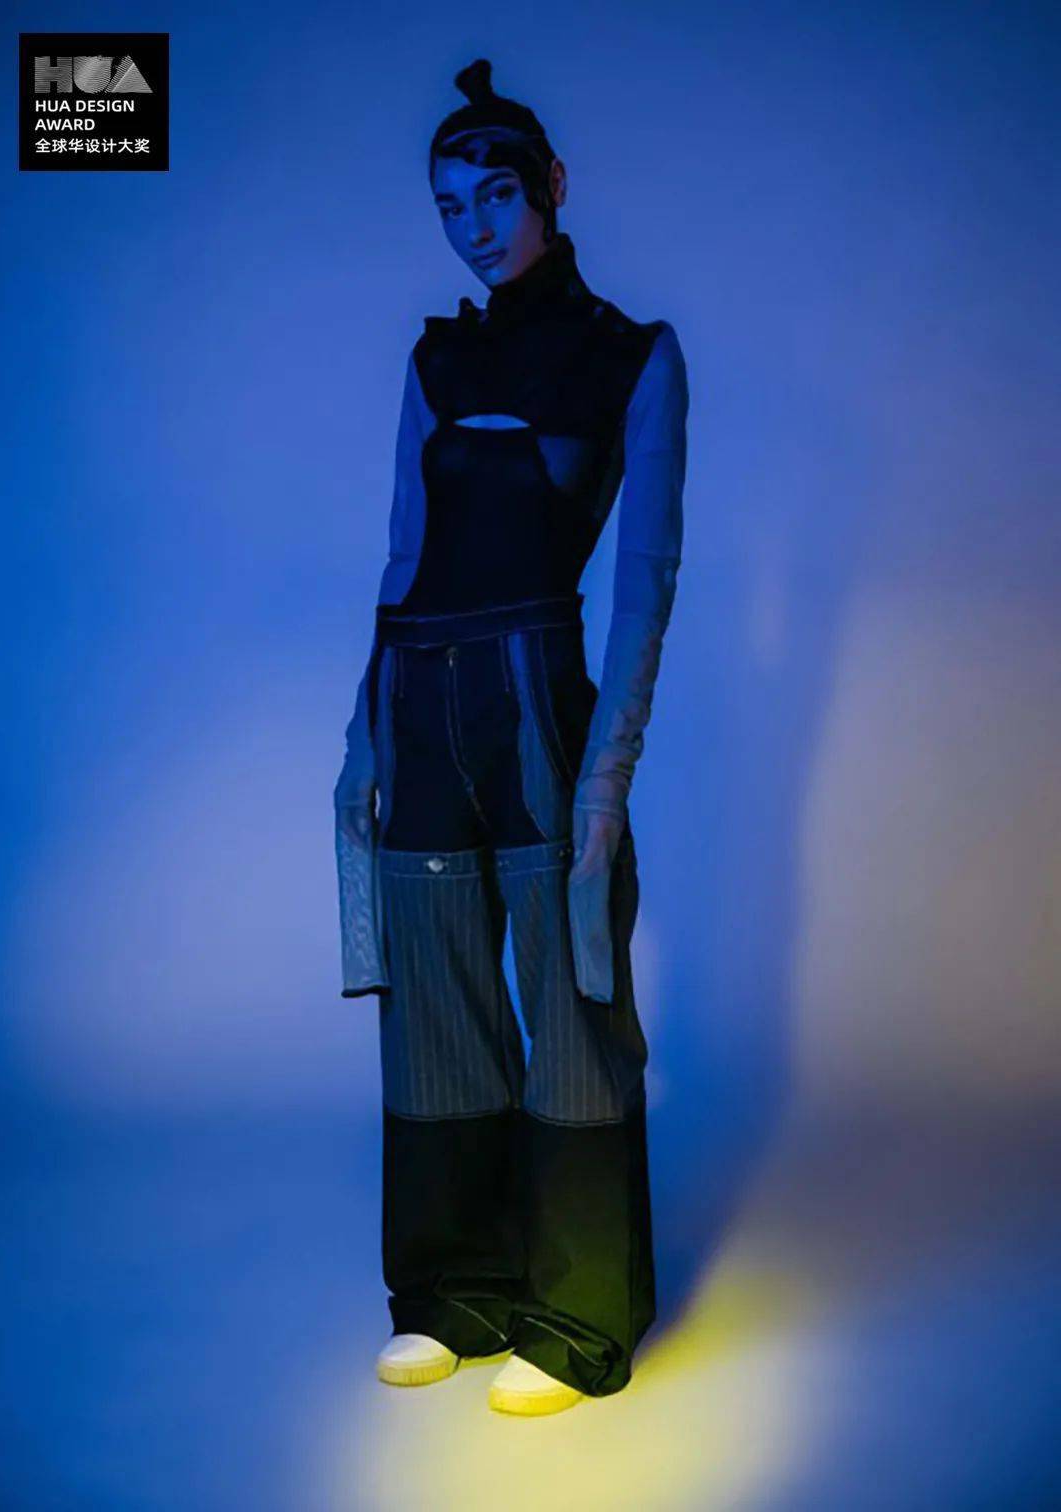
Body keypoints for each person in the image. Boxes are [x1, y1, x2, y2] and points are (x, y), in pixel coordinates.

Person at [333, 57, 689, 1416]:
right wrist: (363, 738)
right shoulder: (437, 358)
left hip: (542, 707)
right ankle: (454, 1295)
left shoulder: (633, 358)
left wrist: (610, 774)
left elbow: (645, 585)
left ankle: (580, 1312)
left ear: (551, 187)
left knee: (571, 995)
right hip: (419, 705)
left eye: (492, 195)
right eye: (448, 205)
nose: (472, 227)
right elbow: (402, 557)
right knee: (433, 1003)